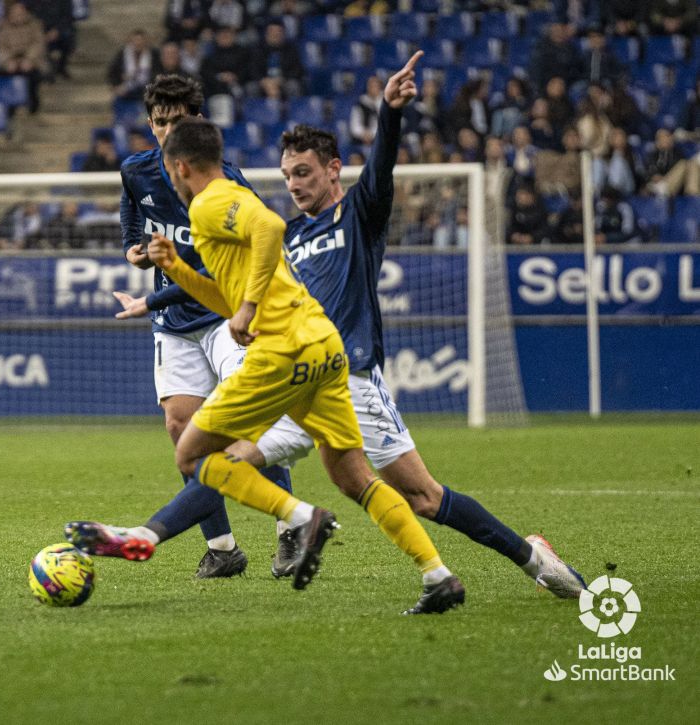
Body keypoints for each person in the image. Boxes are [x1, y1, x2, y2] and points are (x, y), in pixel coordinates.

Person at [112, 55, 586, 601]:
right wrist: (156, 295)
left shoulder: (358, 213)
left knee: (424, 496)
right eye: (288, 175)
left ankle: (534, 561)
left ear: (335, 169)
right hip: (300, 373)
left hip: (351, 376)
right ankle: (167, 536)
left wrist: (389, 112)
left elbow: (380, 166)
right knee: (230, 459)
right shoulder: (287, 237)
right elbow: (234, 282)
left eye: (305, 173)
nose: (293, 184)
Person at [69, 116, 468, 615]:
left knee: (192, 453)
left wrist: (250, 307)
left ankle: (298, 518)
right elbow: (223, 294)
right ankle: (437, 575)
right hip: (323, 347)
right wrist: (175, 270)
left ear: (179, 166)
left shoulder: (213, 201)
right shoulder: (217, 206)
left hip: (282, 349)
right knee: (355, 477)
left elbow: (270, 227)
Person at [109, 74, 302, 579]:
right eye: (158, 122)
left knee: (246, 426)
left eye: (176, 122)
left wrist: (149, 299)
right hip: (176, 325)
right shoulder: (136, 170)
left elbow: (221, 272)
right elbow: (133, 215)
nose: (166, 131)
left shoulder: (228, 185)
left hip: (225, 316)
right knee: (182, 430)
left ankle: (291, 530)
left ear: (195, 122)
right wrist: (134, 248)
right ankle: (222, 548)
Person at [0, 2, 47, 113]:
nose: (18, 15)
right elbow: (1, 47)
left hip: (31, 59)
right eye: (15, 13)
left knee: (31, 74)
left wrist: (29, 59)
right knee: (5, 74)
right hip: (11, 59)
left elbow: (38, 44)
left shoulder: (35, 24)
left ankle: (32, 104)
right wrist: (8, 60)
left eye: (20, 13)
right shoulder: (4, 26)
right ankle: (10, 106)